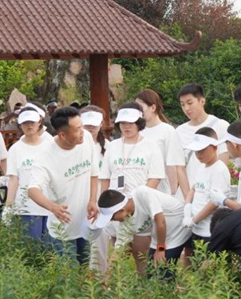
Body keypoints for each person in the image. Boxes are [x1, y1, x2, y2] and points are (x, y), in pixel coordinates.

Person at [99, 102, 165, 274]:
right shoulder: (112, 146)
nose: (126, 127)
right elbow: (105, 177)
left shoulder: (150, 146)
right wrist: (103, 204)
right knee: (118, 254)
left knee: (141, 256)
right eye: (122, 123)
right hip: (116, 208)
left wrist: (137, 201)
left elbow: (155, 177)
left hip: (138, 207)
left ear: (139, 123)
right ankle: (116, 291)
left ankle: (144, 291)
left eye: (130, 123)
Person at [28, 106, 99, 265]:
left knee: (85, 270)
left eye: (82, 126)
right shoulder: (45, 156)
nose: (83, 131)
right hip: (63, 228)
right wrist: (53, 207)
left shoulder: (86, 138)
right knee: (69, 277)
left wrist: (93, 200)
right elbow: (32, 190)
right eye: (77, 129)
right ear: (62, 135)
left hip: (85, 222)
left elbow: (94, 174)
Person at [92, 187, 191, 269]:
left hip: (179, 227)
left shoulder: (142, 194)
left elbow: (161, 221)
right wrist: (107, 276)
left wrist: (160, 248)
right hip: (162, 236)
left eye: (112, 217)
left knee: (163, 270)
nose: (112, 221)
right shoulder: (125, 223)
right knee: (153, 271)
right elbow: (118, 251)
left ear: (121, 210)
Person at [2, 106, 53, 240]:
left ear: (39, 122)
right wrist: (9, 205)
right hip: (26, 207)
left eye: (32, 122)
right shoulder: (15, 149)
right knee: (31, 248)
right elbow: (13, 179)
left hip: (49, 205)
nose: (29, 125)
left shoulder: (50, 146)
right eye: (25, 122)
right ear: (20, 124)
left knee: (50, 251)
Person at [182, 127, 230, 256]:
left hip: (210, 231)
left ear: (215, 147)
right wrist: (187, 206)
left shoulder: (219, 169)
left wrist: (194, 220)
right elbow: (194, 188)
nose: (199, 155)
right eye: (196, 151)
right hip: (196, 229)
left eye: (202, 150)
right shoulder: (202, 167)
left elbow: (214, 202)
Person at [136, 89, 188, 196]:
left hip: (162, 191)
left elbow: (173, 164)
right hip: (138, 188)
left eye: (141, 108)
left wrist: (172, 193)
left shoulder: (167, 131)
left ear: (153, 108)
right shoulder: (137, 131)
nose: (138, 112)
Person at [176, 83, 230, 185]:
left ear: (202, 101)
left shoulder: (220, 125)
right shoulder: (179, 131)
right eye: (182, 104)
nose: (186, 108)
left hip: (212, 190)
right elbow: (179, 168)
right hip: (188, 194)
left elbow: (224, 161)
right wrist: (187, 196)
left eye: (190, 103)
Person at [81, 104, 111, 272]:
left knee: (99, 246)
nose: (90, 127)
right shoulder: (75, 146)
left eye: (94, 123)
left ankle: (99, 283)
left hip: (101, 203)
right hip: (79, 201)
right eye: (87, 123)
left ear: (102, 123)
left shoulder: (109, 147)